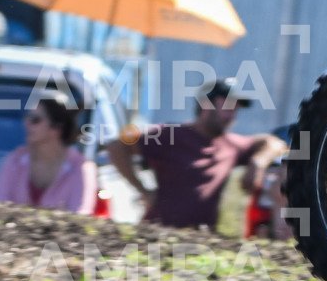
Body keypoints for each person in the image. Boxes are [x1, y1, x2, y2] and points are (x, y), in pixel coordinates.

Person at [106, 79, 286, 230]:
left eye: (235, 110)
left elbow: (276, 143)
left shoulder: (232, 145)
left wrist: (258, 162)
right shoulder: (171, 135)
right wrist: (142, 189)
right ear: (206, 105)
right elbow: (117, 145)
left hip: (202, 240)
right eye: (228, 108)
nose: (232, 116)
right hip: (157, 233)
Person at [0, 93, 95, 213]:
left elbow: (80, 215)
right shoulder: (15, 161)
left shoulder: (81, 169)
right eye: (27, 118)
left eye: (35, 120)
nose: (26, 124)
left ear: (56, 128)